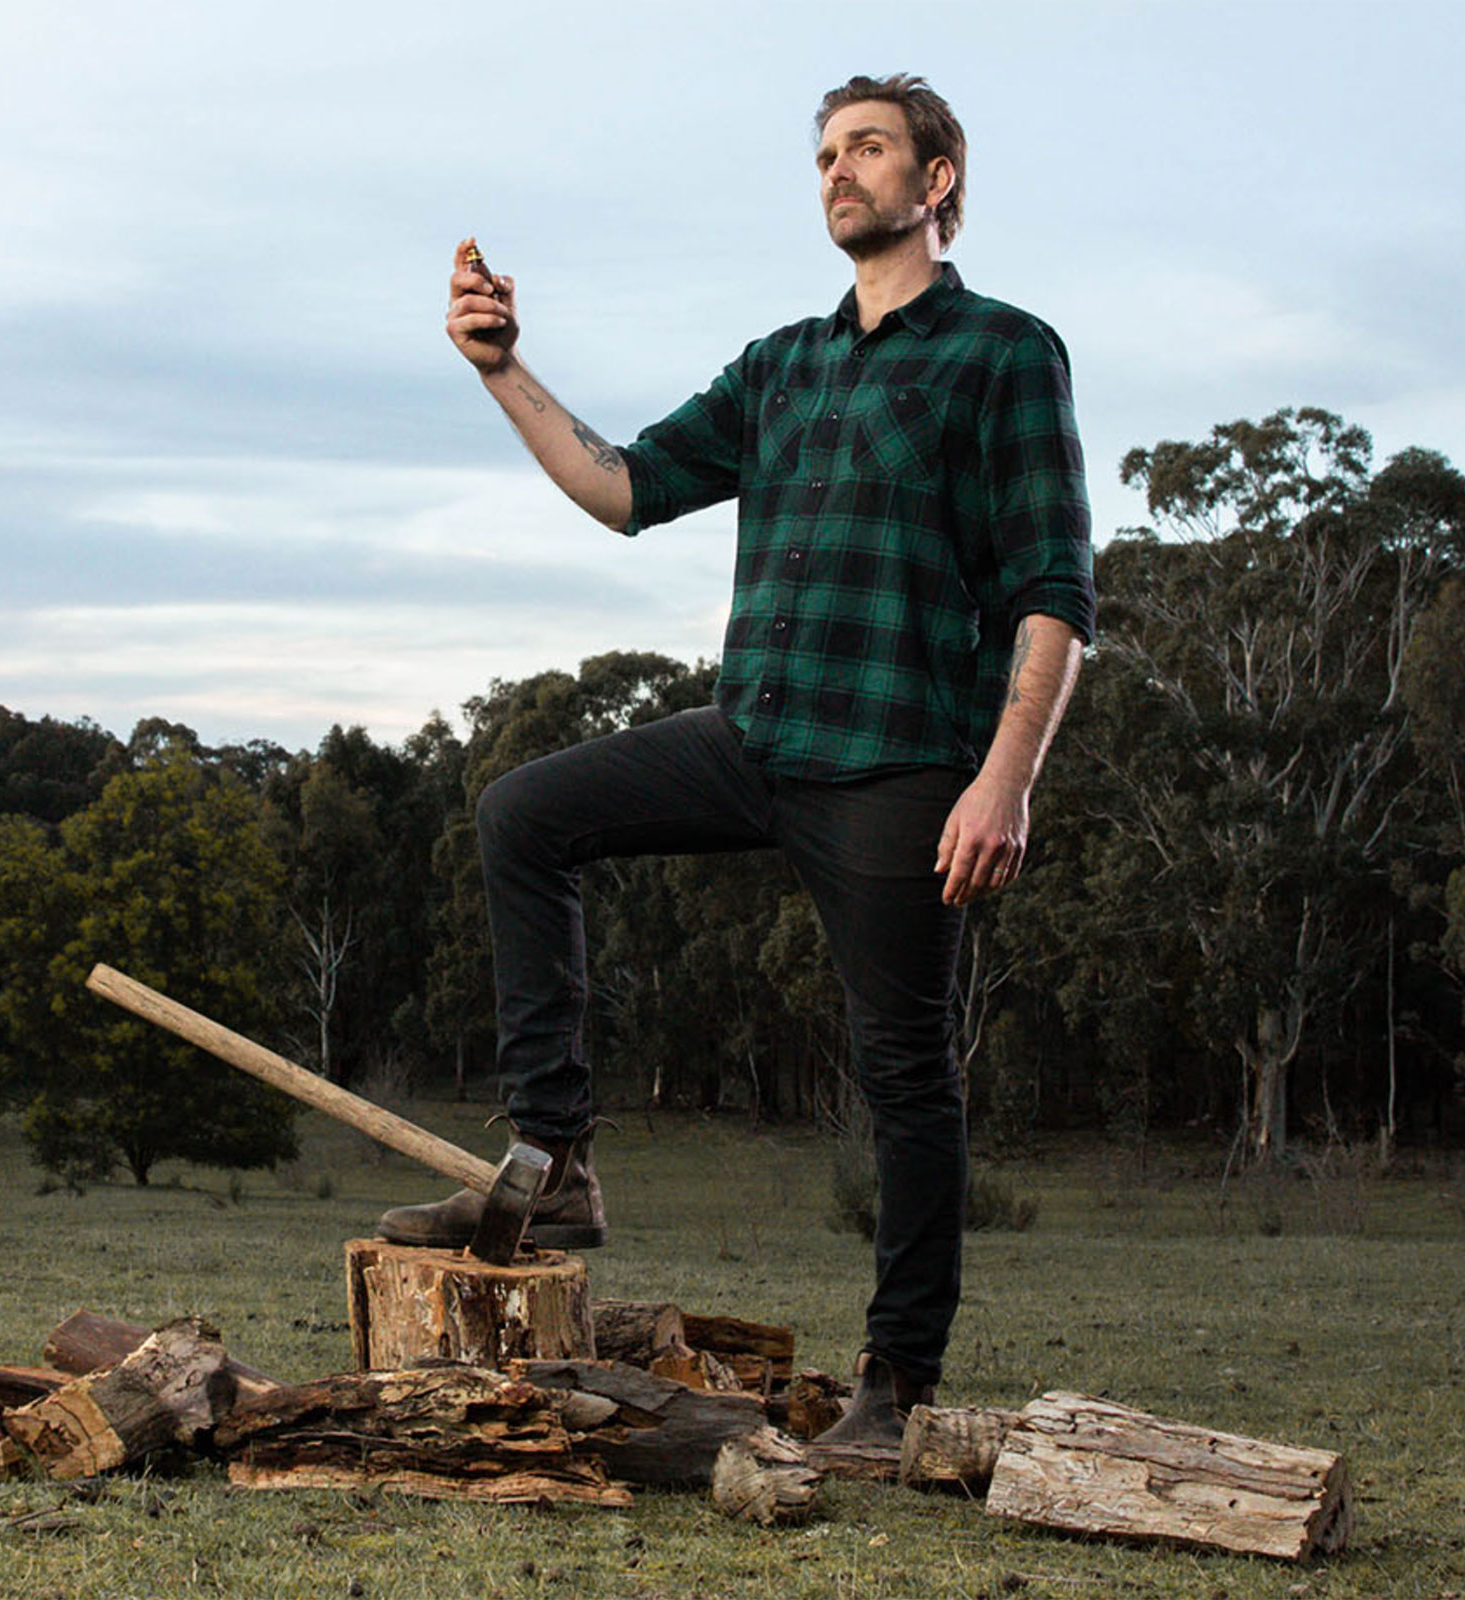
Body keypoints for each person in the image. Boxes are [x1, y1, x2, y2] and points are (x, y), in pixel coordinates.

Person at [377, 72, 1094, 1445]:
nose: (841, 170)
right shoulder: (783, 365)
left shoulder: (1005, 352)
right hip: (753, 735)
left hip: (897, 765)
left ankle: (896, 1387)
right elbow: (627, 488)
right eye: (827, 152)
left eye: (870, 149)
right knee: (524, 811)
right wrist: (500, 369)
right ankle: (556, 1156)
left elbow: (1054, 589)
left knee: (906, 1076)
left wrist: (1007, 776)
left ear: (935, 181)